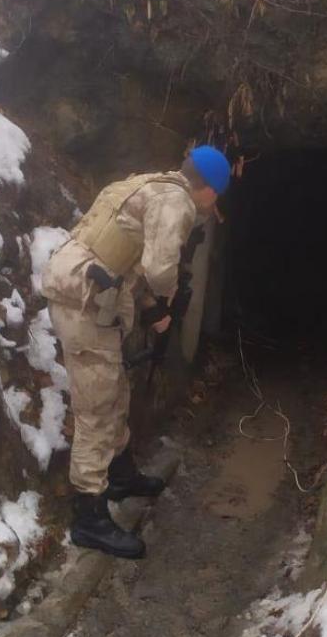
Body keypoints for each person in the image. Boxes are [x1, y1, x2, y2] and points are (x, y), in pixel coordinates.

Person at [39, 146, 230, 559]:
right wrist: (165, 301)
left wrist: (148, 310)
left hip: (87, 291)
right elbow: (160, 270)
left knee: (115, 391)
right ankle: (89, 517)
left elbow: (122, 256)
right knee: (96, 405)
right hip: (83, 303)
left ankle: (121, 477)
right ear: (211, 192)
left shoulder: (146, 185)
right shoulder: (176, 202)